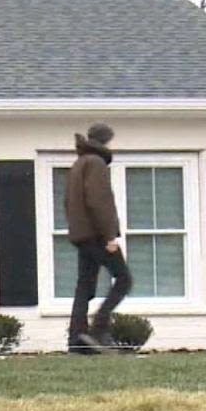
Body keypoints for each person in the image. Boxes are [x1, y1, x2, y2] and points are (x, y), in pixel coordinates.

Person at [66, 122, 133, 352]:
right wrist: (109, 236)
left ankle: (77, 339)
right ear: (105, 141)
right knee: (123, 279)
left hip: (82, 235)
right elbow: (98, 202)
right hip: (96, 235)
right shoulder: (96, 163)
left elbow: (69, 203)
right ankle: (99, 327)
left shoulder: (79, 164)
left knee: (84, 286)